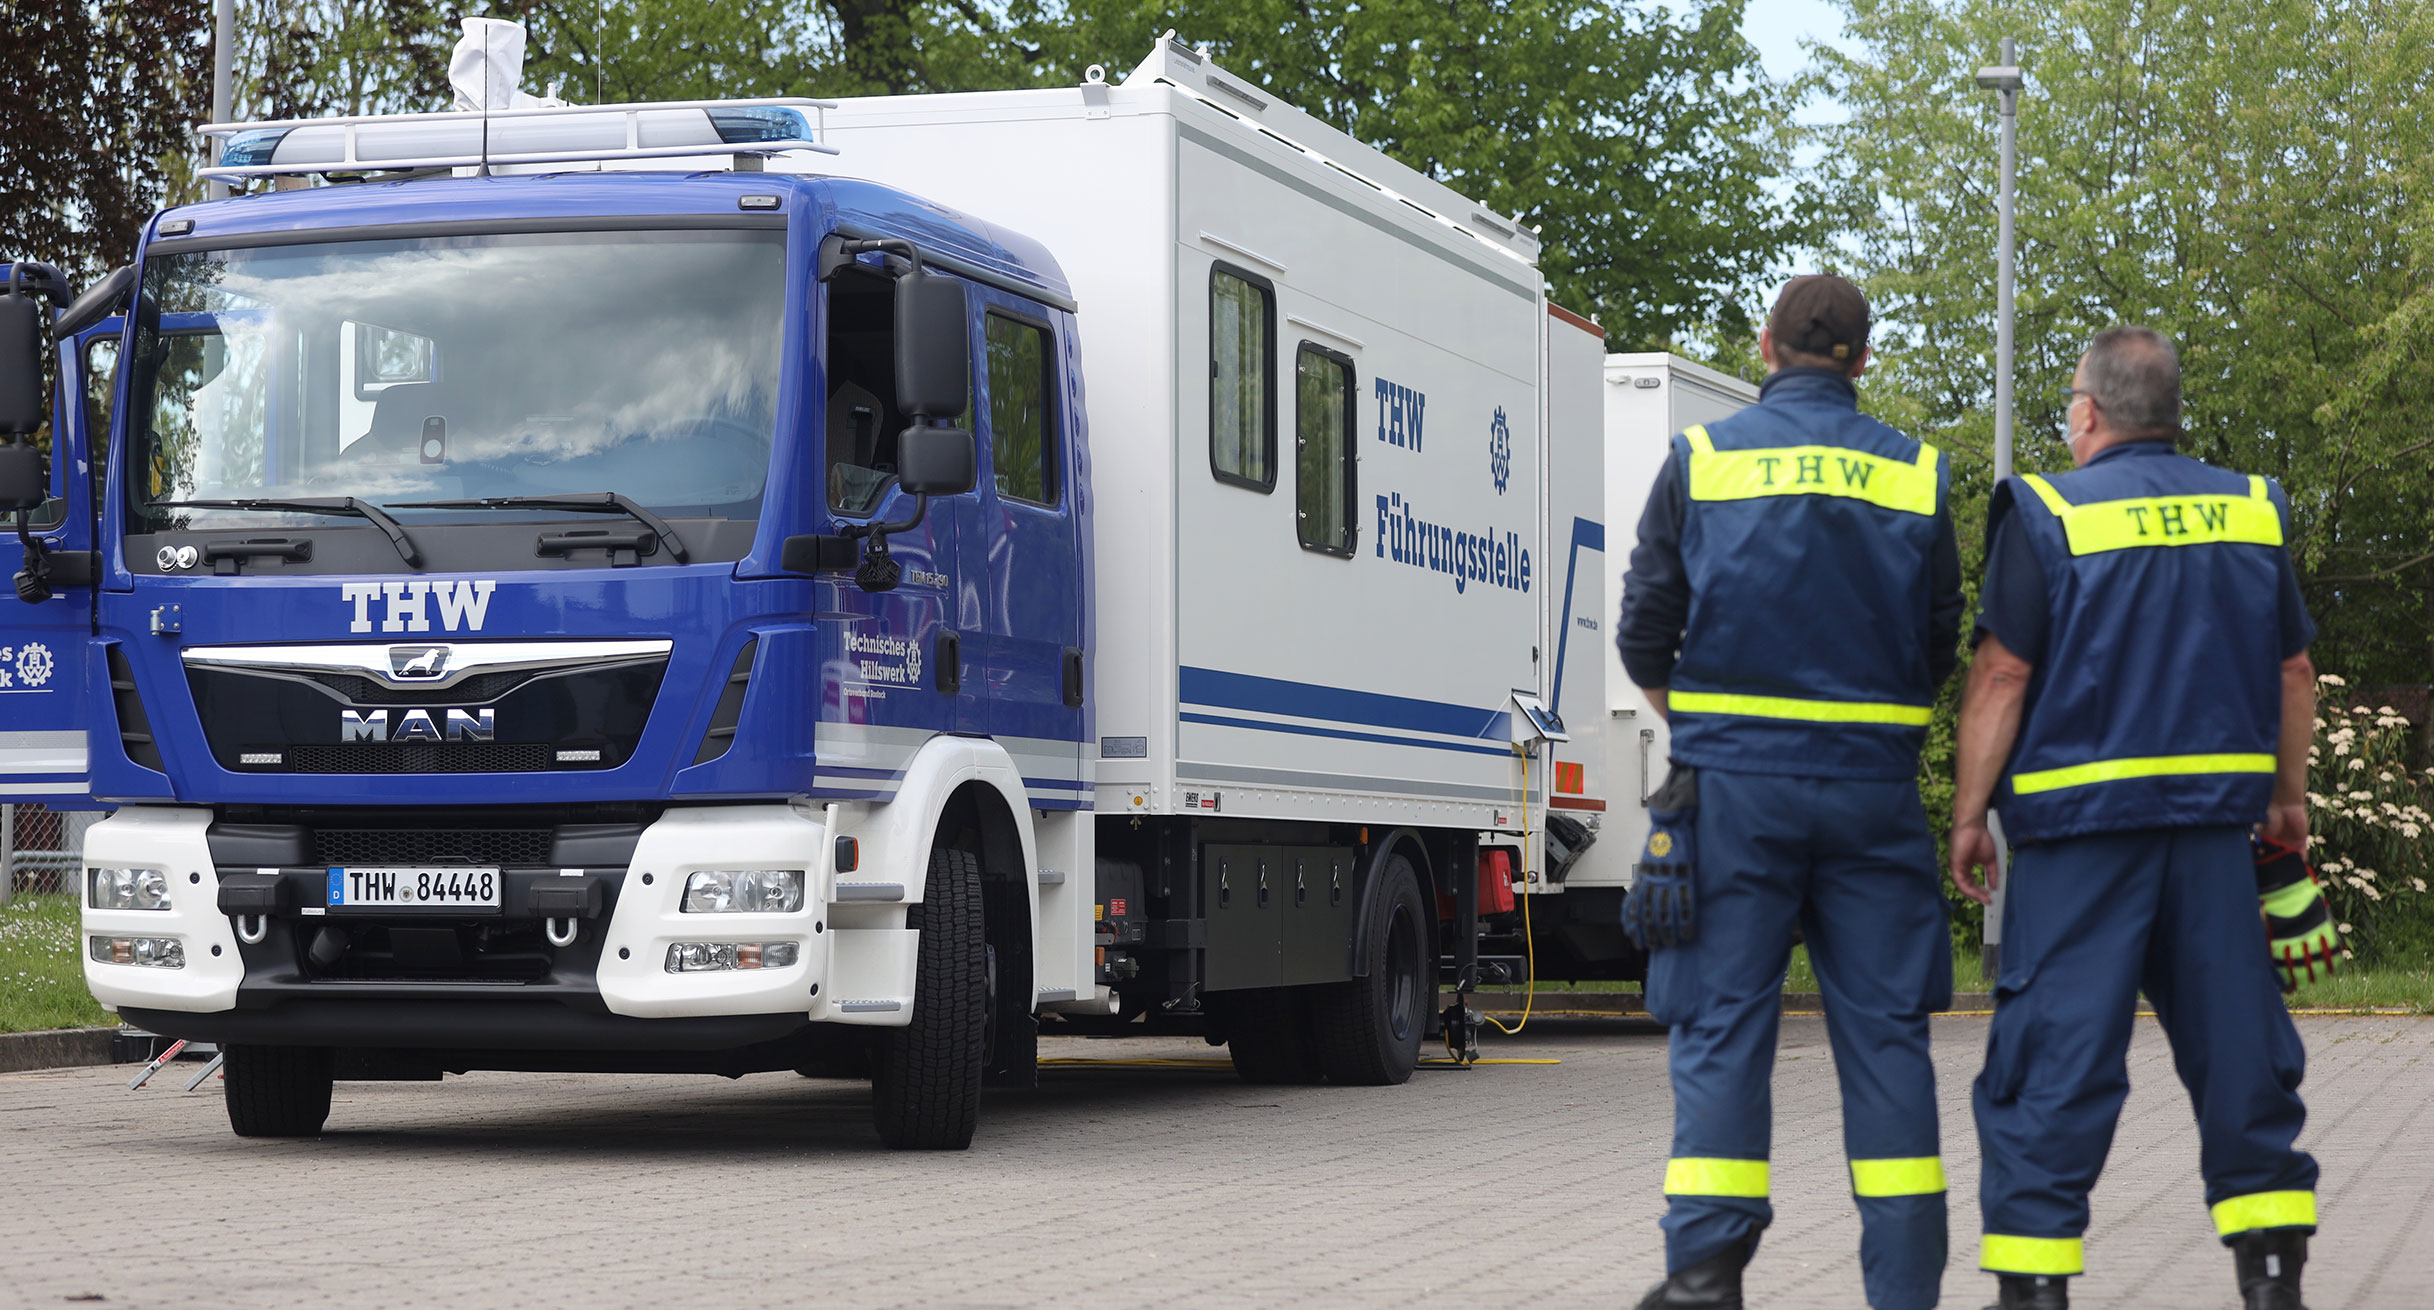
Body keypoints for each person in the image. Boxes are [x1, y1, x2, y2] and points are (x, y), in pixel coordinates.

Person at [1948, 326, 2322, 1310]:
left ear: (2087, 413)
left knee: (2055, 1060)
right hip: (2212, 837)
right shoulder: (2247, 508)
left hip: (2078, 843)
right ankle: (2271, 1274)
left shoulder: (2046, 510)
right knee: (2239, 1046)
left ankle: (2034, 1284)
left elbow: (2001, 673)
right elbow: (2292, 669)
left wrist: (1967, 811)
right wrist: (2286, 797)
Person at [1618, 274, 1965, 1310]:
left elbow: (1643, 627)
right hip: (1871, 793)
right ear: (1862, 359)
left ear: (1764, 345)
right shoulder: (1917, 474)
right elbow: (1939, 639)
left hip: (1733, 796)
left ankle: (1703, 1275)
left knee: (1722, 1026)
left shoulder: (1703, 458)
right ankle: (1904, 1290)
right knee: (1888, 1038)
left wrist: (1711, 730)